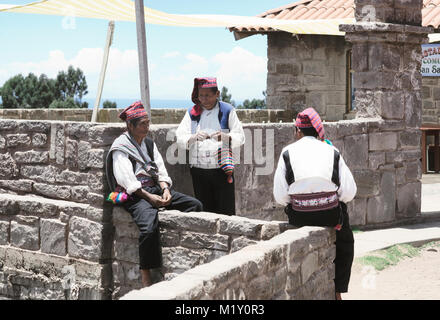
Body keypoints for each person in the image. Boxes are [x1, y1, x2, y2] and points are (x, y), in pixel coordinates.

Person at [105, 101, 203, 287]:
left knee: (195, 205)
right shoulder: (121, 147)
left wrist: (165, 190)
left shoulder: (149, 144)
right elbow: (126, 180)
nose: (147, 127)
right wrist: (150, 199)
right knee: (149, 227)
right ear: (130, 125)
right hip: (136, 195)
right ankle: (146, 275)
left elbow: (160, 169)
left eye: (148, 123)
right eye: (142, 124)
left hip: (154, 189)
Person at [272, 107, 357, 300]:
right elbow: (349, 192)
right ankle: (338, 290)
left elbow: (280, 196)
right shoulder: (332, 151)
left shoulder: (287, 152)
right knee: (346, 241)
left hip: (299, 216)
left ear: (299, 131)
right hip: (330, 216)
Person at [176, 77, 245, 215]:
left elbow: (240, 136)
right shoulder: (192, 113)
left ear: (217, 94)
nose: (204, 99)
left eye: (207, 95)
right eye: (201, 95)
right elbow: (180, 136)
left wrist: (226, 137)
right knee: (205, 212)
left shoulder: (227, 110)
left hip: (222, 170)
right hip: (199, 171)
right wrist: (193, 138)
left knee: (226, 211)